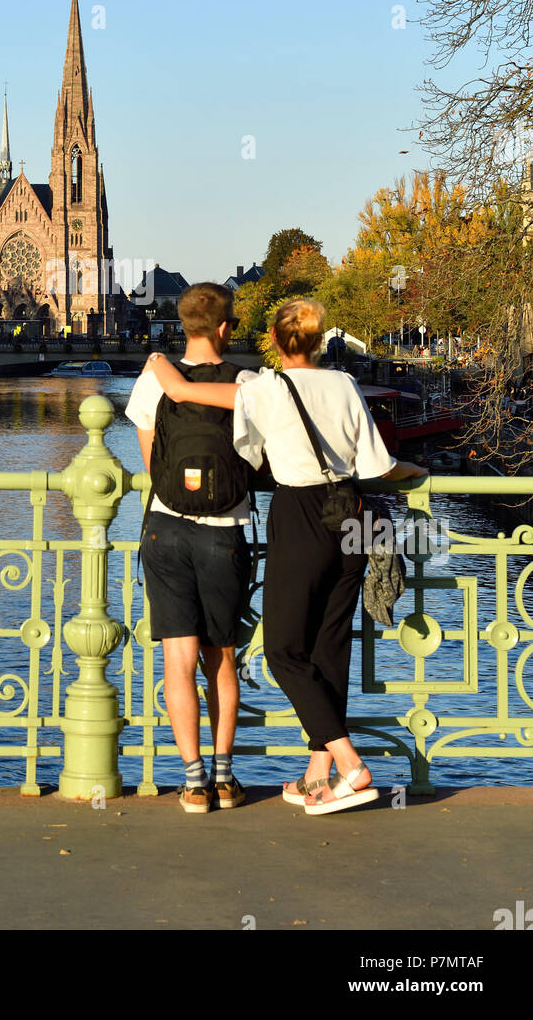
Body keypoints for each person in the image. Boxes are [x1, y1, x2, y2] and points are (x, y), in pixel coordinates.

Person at [147, 298, 427, 816]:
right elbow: (377, 464)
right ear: (320, 342)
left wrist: (157, 360)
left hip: (299, 514)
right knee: (330, 646)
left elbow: (182, 390)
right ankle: (319, 776)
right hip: (352, 514)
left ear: (274, 343)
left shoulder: (265, 388)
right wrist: (409, 471)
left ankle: (349, 764)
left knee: (281, 651)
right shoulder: (344, 384)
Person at [126, 282, 257, 813]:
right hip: (223, 531)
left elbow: (151, 462)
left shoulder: (152, 381)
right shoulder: (247, 383)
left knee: (176, 660)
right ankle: (226, 778)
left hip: (166, 529)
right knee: (220, 657)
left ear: (182, 327)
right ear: (225, 328)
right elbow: (255, 460)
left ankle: (193, 783)